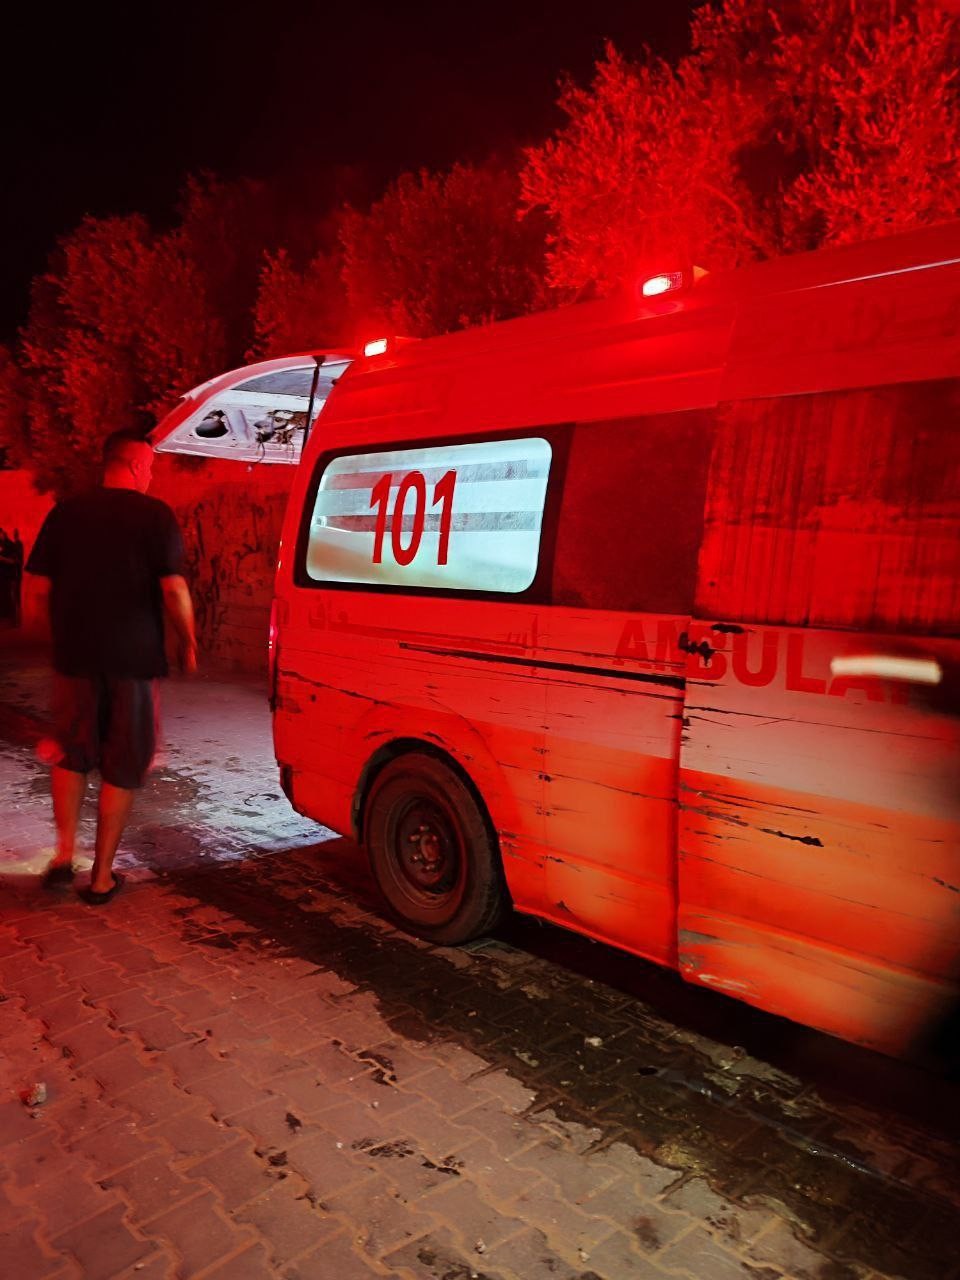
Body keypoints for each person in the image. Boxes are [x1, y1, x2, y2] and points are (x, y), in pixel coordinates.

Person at [24, 431, 197, 903]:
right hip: (133, 664)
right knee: (122, 765)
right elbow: (174, 588)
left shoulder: (66, 512)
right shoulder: (155, 515)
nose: (151, 475)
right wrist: (188, 640)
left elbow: (35, 588)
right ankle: (101, 878)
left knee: (71, 755)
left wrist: (52, 637)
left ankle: (63, 857)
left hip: (76, 661)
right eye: (151, 467)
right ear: (138, 465)